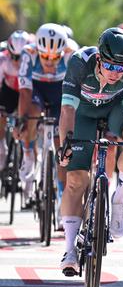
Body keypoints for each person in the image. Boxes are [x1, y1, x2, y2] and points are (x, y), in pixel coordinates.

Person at [58, 27, 123, 275]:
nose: (114, 73)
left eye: (120, 69)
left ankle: (119, 199)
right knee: (76, 179)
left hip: (115, 110)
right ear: (99, 58)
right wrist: (64, 144)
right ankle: (69, 249)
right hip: (83, 113)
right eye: (110, 66)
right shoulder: (79, 62)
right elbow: (67, 111)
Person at [16, 23, 71, 208]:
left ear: (63, 51)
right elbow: (24, 91)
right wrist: (20, 121)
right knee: (31, 112)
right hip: (37, 89)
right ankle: (29, 154)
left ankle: (62, 198)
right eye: (45, 56)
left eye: (55, 57)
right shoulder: (28, 53)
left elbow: (76, 95)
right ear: (37, 49)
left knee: (62, 148)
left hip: (60, 92)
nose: (49, 61)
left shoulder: (72, 53)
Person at [0, 30, 31, 169]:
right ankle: (2, 145)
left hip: (26, 92)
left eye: (21, 57)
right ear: (8, 52)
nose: (17, 61)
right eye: (13, 56)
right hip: (9, 92)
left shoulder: (33, 60)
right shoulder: (3, 60)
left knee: (30, 121)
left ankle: (30, 154)